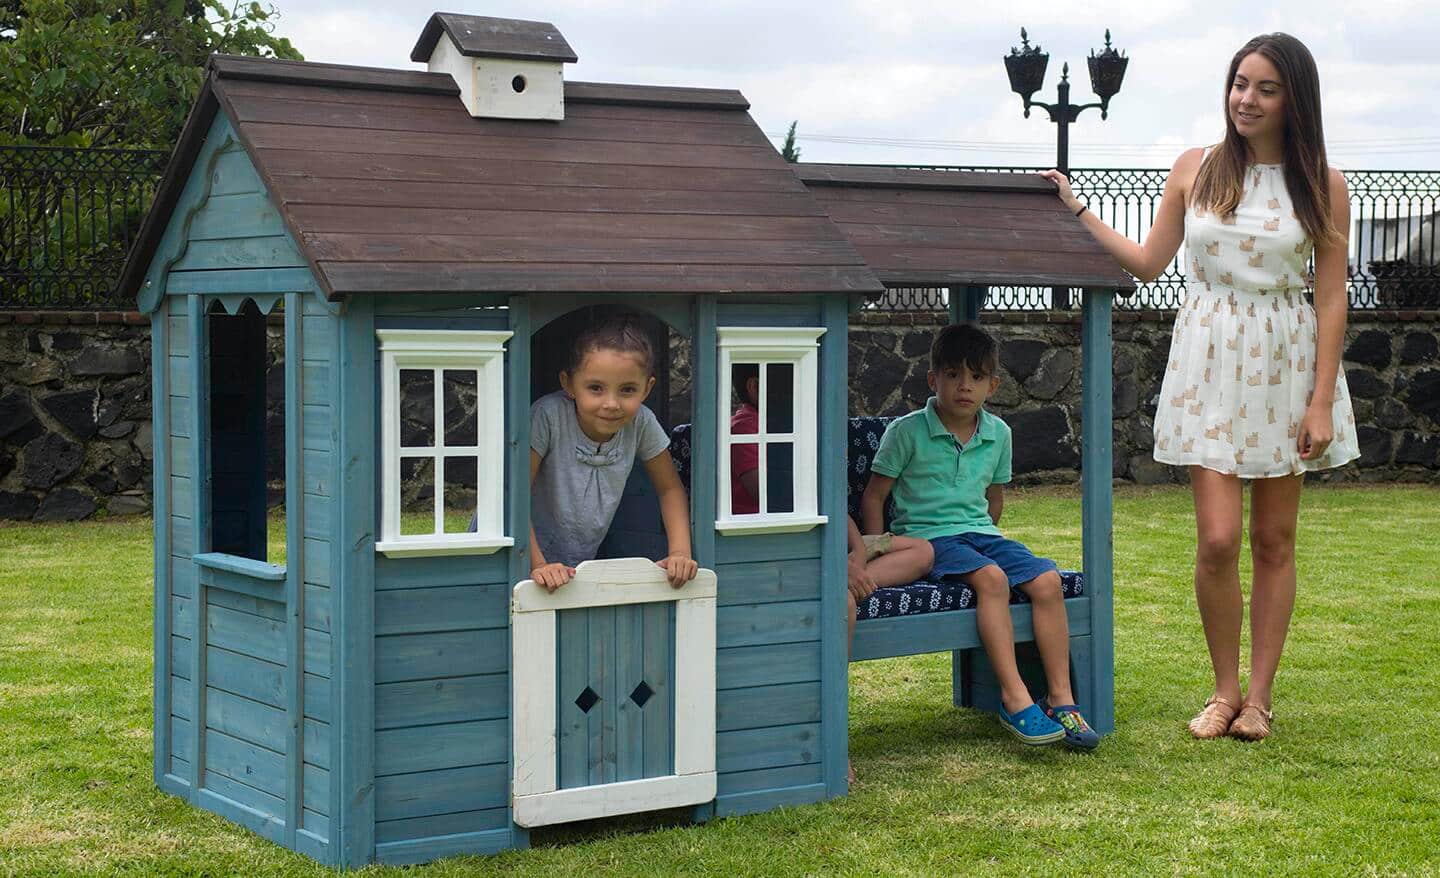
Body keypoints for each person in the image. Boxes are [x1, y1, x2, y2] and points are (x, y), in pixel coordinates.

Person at [1041, 33, 1359, 741]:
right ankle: (1222, 692)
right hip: (1209, 362)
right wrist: (1077, 211)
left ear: (1293, 100)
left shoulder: (1324, 184)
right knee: (1218, 539)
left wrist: (1319, 399)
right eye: (1238, 83)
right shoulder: (1197, 168)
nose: (1245, 98)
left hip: (1285, 361)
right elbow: (1151, 262)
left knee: (1274, 539)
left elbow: (1331, 297)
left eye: (1264, 88)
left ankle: (1260, 699)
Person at [861, 324, 1099, 750]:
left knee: (1046, 580)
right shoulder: (907, 431)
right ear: (933, 380)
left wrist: (988, 534)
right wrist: (879, 546)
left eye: (974, 377)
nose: (963, 386)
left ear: (993, 385)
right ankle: (1014, 697)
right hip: (931, 540)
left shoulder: (999, 434)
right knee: (991, 579)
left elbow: (994, 499)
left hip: (983, 534)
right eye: (952, 375)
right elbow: (875, 495)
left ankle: (1061, 697)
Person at [528, 316, 699, 592]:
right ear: (568, 383)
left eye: (627, 390)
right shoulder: (547, 417)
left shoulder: (641, 422)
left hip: (574, 568)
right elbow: (514, 496)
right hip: (517, 553)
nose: (611, 403)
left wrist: (680, 552)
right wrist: (537, 564)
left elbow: (670, 489)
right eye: (595, 388)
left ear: (647, 388)